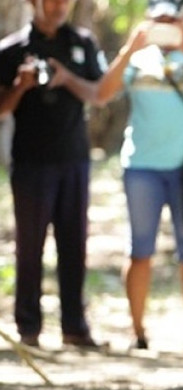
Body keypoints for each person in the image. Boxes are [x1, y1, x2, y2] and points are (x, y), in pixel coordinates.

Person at [97, 0, 183, 351]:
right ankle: (138, 332)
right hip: (141, 167)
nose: (166, 24)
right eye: (159, 19)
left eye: (172, 18)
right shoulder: (137, 58)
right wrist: (129, 49)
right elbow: (104, 94)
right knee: (139, 250)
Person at [0, 0, 105, 348]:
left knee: (74, 244)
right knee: (29, 247)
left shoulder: (83, 43)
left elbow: (99, 94)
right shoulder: (12, 49)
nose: (59, 6)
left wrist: (66, 78)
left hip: (74, 158)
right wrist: (20, 85)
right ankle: (28, 327)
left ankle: (74, 326)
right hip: (30, 162)